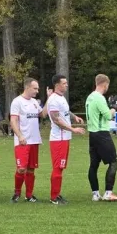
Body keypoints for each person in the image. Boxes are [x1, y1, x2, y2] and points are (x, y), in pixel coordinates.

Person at [47, 74, 85, 205]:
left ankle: (57, 194)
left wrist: (74, 117)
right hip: (59, 138)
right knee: (58, 167)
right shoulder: (53, 100)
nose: (66, 85)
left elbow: (65, 112)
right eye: (64, 83)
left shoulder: (61, 98)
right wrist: (73, 129)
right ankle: (53, 197)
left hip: (65, 138)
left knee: (61, 167)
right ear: (57, 85)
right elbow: (56, 120)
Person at [9, 78, 49, 203]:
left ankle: (29, 195)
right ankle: (16, 193)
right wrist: (20, 135)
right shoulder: (17, 102)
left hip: (34, 141)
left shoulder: (34, 102)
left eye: (38, 89)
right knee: (21, 168)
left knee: (31, 169)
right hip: (22, 141)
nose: (37, 91)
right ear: (27, 87)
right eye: (35, 88)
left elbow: (42, 115)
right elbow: (13, 121)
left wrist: (49, 99)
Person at [85, 74, 117, 202]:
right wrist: (114, 107)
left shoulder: (90, 97)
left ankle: (95, 194)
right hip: (102, 134)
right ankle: (108, 192)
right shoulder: (99, 98)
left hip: (92, 134)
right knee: (114, 162)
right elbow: (108, 116)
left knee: (94, 165)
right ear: (105, 84)